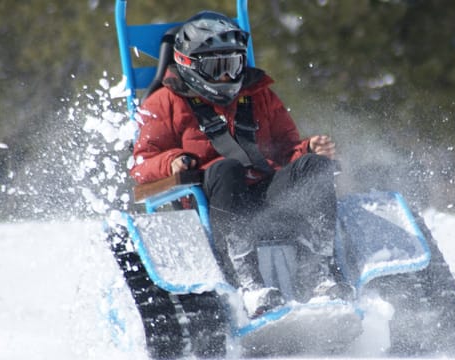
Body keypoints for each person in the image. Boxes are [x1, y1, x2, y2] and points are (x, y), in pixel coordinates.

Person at [130, 11, 351, 318]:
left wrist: (308, 149)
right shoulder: (162, 103)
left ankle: (318, 276)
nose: (226, 77)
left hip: (264, 189)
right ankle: (249, 285)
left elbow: (287, 150)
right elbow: (140, 165)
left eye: (233, 65)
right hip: (211, 200)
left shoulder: (259, 96)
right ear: (188, 65)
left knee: (315, 167)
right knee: (226, 167)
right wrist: (172, 163)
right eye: (216, 67)